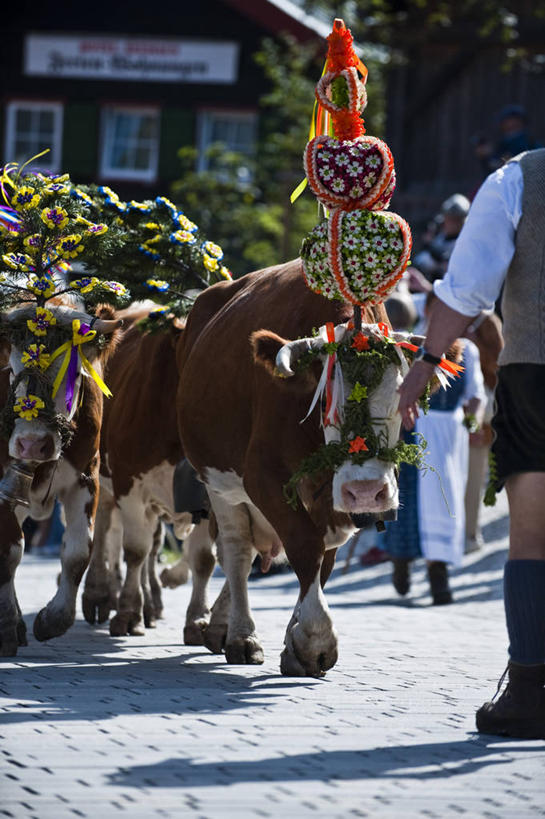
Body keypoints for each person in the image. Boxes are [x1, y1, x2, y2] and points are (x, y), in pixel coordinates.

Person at [398, 148, 545, 740]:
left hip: (537, 371)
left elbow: (465, 292)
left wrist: (425, 363)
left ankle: (531, 690)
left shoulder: (519, 179)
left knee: (531, 533)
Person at [385, 294, 485, 604]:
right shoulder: (409, 342)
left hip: (446, 437)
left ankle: (438, 579)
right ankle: (401, 564)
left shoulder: (468, 351)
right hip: (412, 429)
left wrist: (472, 418)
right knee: (406, 501)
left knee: (442, 502)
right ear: (428, 310)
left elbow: (476, 394)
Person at [410, 194, 471, 286]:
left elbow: (444, 261)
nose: (450, 222)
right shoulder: (439, 234)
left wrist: (429, 244)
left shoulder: (465, 242)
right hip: (420, 281)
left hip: (440, 288)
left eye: (455, 219)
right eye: (448, 217)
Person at [474, 104, 542, 177]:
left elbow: (511, 165)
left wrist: (492, 157)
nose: (510, 125)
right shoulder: (503, 145)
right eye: (507, 122)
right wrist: (487, 157)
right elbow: (495, 169)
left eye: (515, 122)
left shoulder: (530, 144)